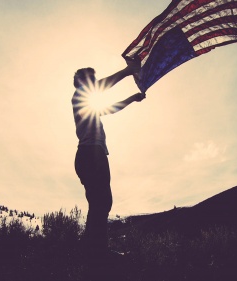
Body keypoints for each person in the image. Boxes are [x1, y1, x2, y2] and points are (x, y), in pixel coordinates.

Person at [72, 64, 145, 263]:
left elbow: (112, 109)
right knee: (101, 203)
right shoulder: (79, 96)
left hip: (90, 155)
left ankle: (93, 251)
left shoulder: (89, 108)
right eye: (92, 81)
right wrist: (127, 71)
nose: (95, 84)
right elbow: (106, 85)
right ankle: (97, 253)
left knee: (99, 203)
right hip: (91, 155)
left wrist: (132, 98)